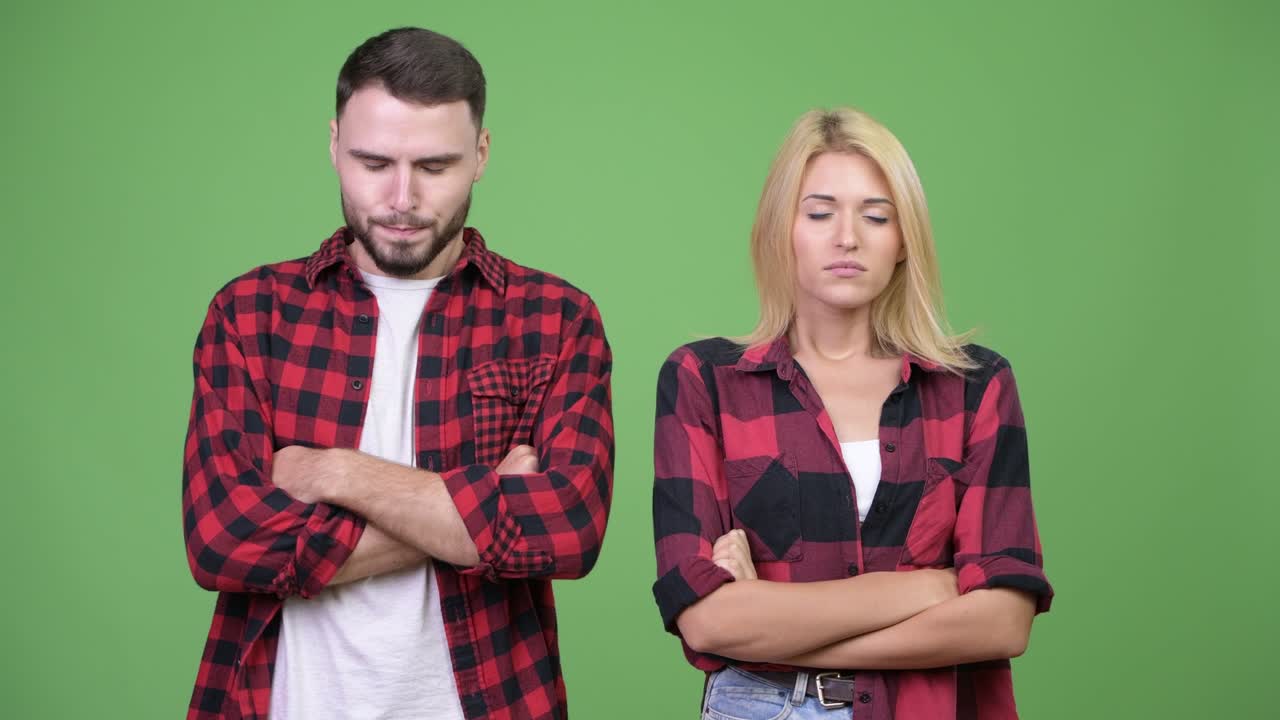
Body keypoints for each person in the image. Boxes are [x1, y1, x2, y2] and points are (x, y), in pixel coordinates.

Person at [182, 27, 614, 720]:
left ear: (481, 155)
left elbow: (566, 530)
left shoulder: (555, 319)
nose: (402, 197)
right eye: (374, 162)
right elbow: (223, 544)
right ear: (334, 146)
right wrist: (480, 504)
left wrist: (336, 472)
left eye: (434, 166)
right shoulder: (251, 314)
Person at [651, 107, 1052, 719]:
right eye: (820, 213)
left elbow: (1002, 622)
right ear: (781, 230)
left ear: (904, 240)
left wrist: (773, 625)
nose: (848, 238)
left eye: (876, 216)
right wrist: (931, 585)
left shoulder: (975, 386)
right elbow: (707, 622)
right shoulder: (704, 380)